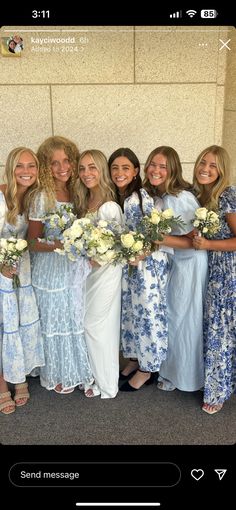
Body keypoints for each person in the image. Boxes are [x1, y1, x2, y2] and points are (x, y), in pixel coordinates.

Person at [28, 136, 93, 394]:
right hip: (49, 270)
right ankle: (56, 371)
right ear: (45, 166)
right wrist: (60, 245)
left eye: (66, 160)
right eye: (54, 163)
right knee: (54, 321)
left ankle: (75, 368)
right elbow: (32, 242)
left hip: (72, 267)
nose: (62, 167)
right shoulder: (41, 196)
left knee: (72, 317)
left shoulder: (76, 192)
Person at [143, 146, 208, 393]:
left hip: (190, 263)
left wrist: (157, 238)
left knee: (185, 319)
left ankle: (187, 377)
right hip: (177, 263)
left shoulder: (179, 197)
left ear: (173, 170)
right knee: (175, 317)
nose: (156, 170)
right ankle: (172, 372)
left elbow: (195, 240)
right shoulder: (161, 195)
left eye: (163, 166)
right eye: (153, 164)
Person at [108, 148, 169, 391]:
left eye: (125, 168)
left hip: (148, 267)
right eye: (114, 168)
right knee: (132, 315)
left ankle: (148, 369)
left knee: (148, 316)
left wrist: (142, 253)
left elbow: (158, 234)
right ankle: (135, 359)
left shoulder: (141, 199)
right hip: (130, 267)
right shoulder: (119, 197)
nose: (119, 173)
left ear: (135, 171)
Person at [0, 147, 45, 415]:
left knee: (18, 323)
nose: (26, 171)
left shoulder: (36, 199)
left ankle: (19, 376)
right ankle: (2, 383)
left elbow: (34, 239)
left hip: (22, 270)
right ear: (10, 168)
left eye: (31, 166)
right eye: (20, 165)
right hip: (0, 270)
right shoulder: (1, 195)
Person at [192, 145, 236, 414]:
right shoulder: (200, 196)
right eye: (202, 163)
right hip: (209, 270)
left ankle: (217, 390)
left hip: (227, 272)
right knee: (213, 329)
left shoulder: (228, 195)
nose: (205, 169)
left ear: (222, 170)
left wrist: (208, 245)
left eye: (213, 165)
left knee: (221, 330)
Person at [76, 149, 123, 398]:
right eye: (82, 168)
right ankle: (93, 375)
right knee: (90, 325)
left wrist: (94, 259)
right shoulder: (85, 202)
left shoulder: (110, 206)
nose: (86, 173)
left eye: (92, 167)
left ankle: (107, 384)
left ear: (102, 170)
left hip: (106, 273)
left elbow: (116, 247)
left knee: (95, 325)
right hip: (87, 274)